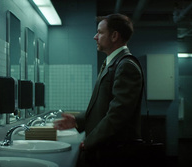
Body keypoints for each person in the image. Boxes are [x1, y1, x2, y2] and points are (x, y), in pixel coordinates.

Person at [53, 13, 144, 167]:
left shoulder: (126, 65)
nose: (95, 37)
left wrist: (90, 141)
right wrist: (77, 121)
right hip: (107, 149)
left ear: (114, 36)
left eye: (100, 32)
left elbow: (117, 115)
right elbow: (103, 107)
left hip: (115, 153)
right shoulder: (113, 63)